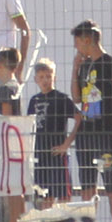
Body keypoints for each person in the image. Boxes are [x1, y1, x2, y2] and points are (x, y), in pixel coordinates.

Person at [69, 20, 112, 222]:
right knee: (87, 186)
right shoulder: (84, 65)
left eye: (77, 41)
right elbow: (77, 98)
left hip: (106, 134)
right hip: (85, 135)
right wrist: (75, 68)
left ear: (87, 40)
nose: (76, 47)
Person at [25, 58, 77, 205]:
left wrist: (66, 144)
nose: (45, 80)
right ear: (36, 79)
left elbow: (79, 119)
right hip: (40, 154)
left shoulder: (62, 98)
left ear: (55, 77)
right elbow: (28, 125)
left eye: (48, 76)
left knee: (63, 196)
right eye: (41, 77)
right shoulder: (34, 100)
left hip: (58, 153)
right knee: (43, 196)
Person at [0, 47, 25, 222]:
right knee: (14, 192)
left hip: (8, 148)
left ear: (0, 64)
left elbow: (6, 119)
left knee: (13, 193)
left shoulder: (5, 89)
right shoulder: (14, 86)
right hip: (15, 147)